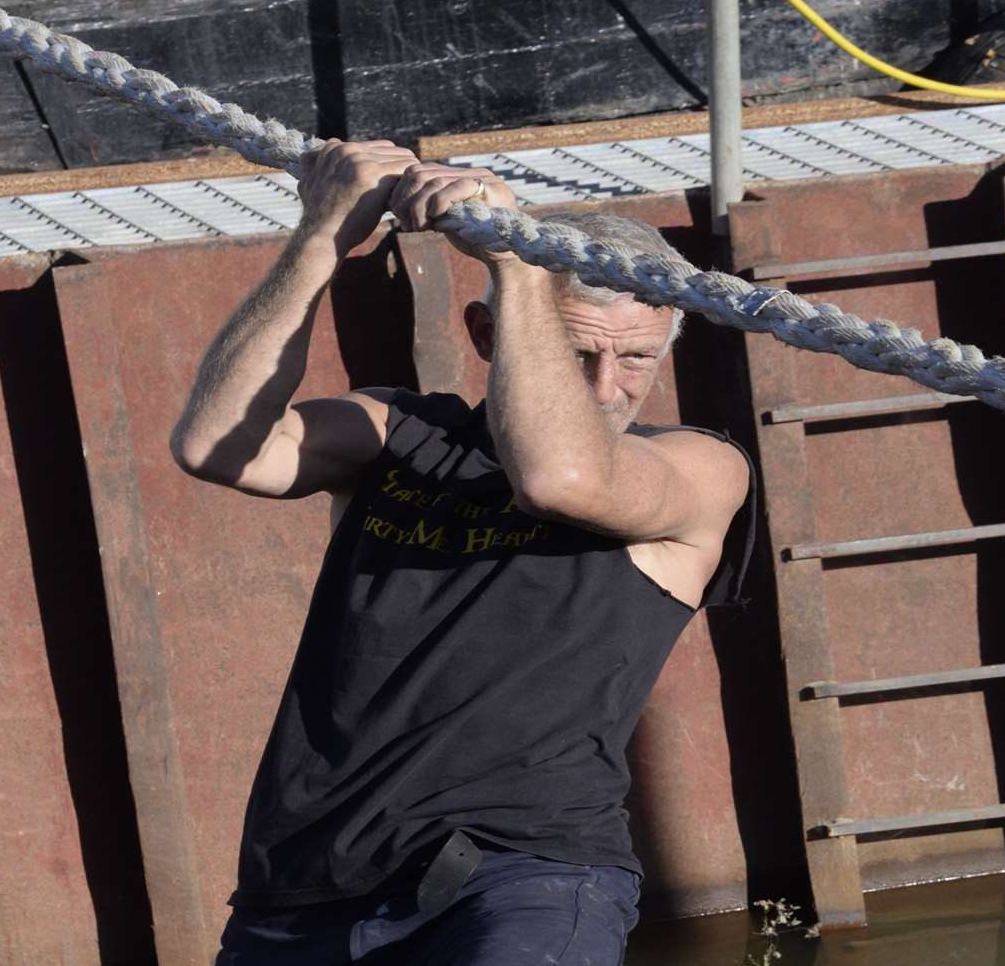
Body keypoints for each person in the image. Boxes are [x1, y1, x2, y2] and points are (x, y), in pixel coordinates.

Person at [170, 140, 753, 964]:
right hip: (300, 882)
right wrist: (321, 235)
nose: (605, 387)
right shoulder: (400, 434)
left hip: (520, 877)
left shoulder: (698, 471)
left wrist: (519, 267)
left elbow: (560, 476)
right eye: (577, 352)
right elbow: (216, 447)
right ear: (487, 334)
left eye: (635, 359)